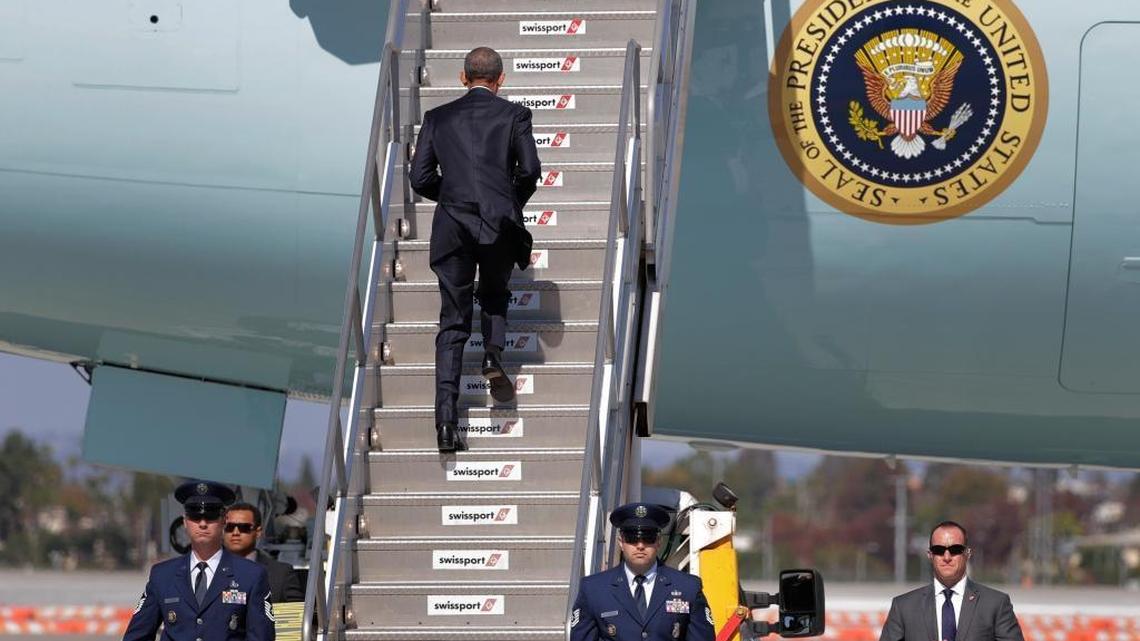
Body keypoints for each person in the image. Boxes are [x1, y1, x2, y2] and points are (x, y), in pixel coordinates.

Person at [409, 45, 542, 453]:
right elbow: (531, 170)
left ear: (462, 77)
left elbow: (419, 177)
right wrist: (508, 200)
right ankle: (493, 354)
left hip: (452, 225)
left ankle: (446, 426)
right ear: (501, 80)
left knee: (452, 322)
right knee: (496, 294)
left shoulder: (437, 118)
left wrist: (450, 196)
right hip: (499, 222)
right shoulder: (514, 115)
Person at [122, 480, 276, 641]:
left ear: (224, 520)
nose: (203, 523)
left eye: (211, 516)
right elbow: (136, 636)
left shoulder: (250, 576)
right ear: (185, 521)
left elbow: (262, 637)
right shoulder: (162, 575)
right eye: (195, 515)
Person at [569, 502, 715, 641]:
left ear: (659, 541)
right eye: (633, 538)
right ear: (621, 542)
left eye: (648, 538)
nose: (640, 545)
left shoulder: (688, 587)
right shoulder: (593, 589)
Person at [879, 521, 1025, 641]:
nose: (947, 557)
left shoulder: (995, 604)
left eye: (955, 549)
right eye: (939, 550)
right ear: (930, 555)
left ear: (967, 554)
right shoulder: (904, 607)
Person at [223, 502, 305, 603]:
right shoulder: (208, 570)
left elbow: (297, 616)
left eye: (244, 527)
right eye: (229, 527)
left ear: (258, 532)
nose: (235, 533)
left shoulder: (281, 574)